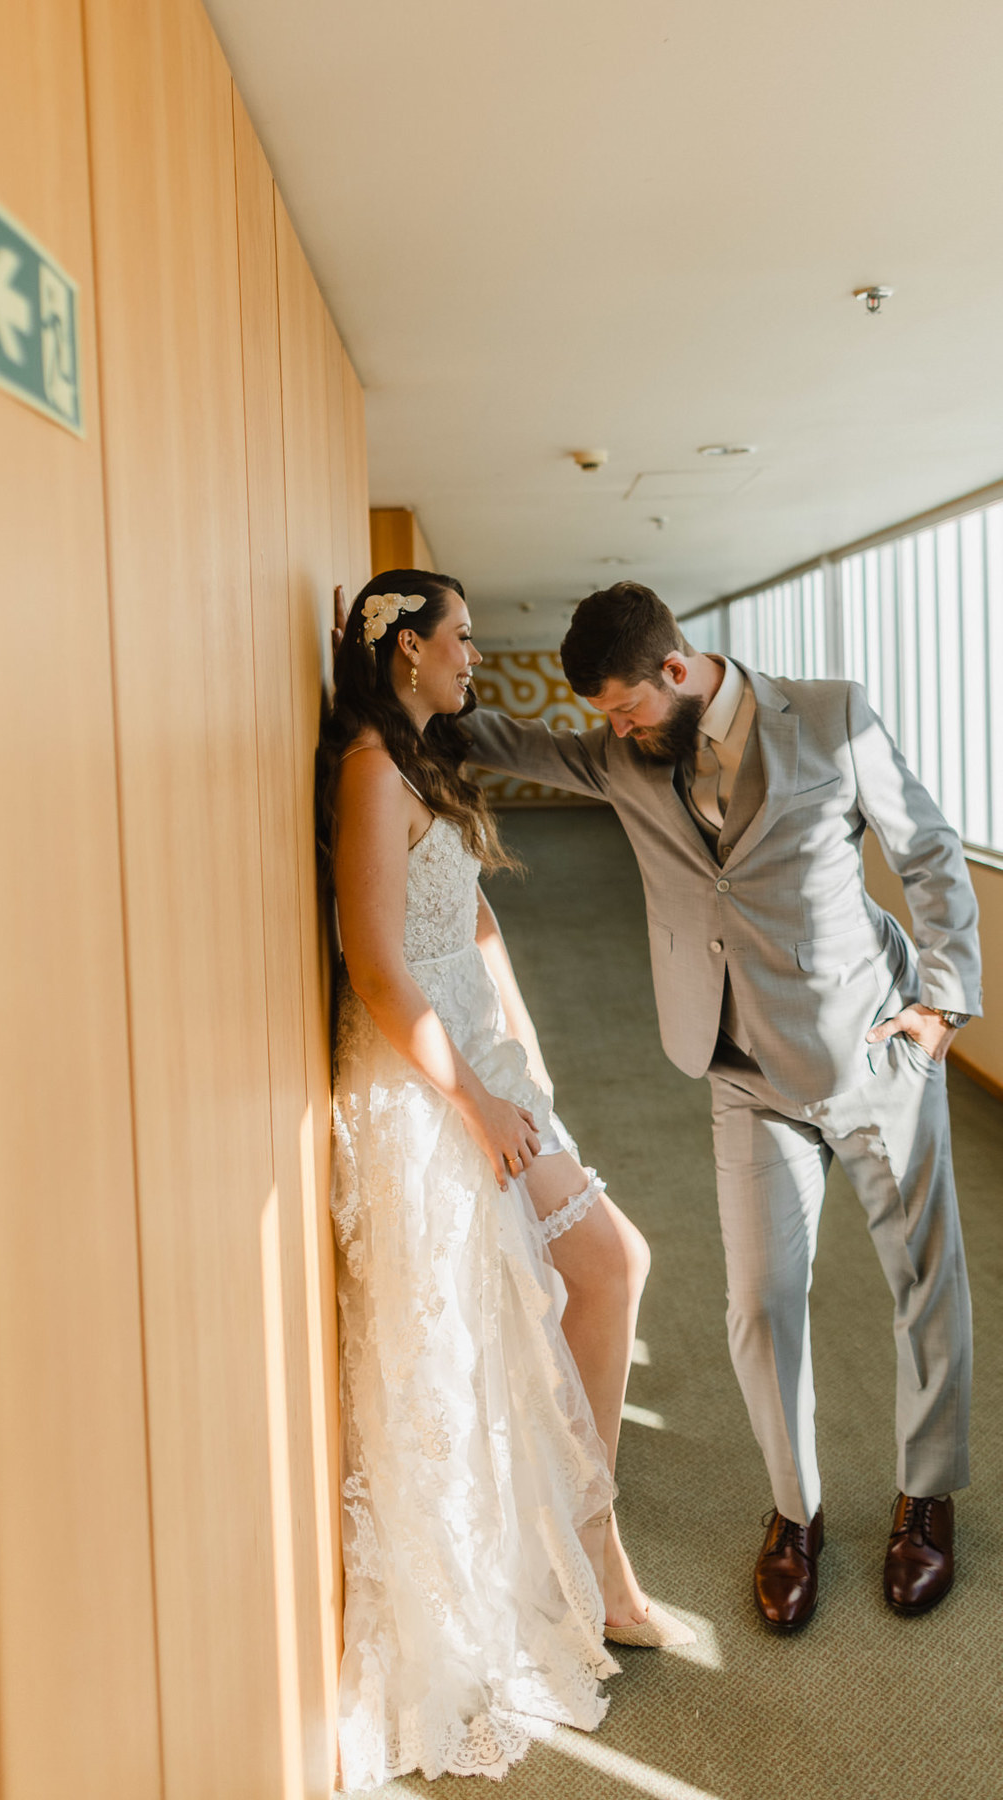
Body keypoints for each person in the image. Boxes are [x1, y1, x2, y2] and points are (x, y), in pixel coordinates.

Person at [461, 579, 980, 1633]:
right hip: (739, 1073)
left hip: (872, 1058)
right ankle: (796, 1512)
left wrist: (943, 1001)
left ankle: (926, 1499)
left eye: (626, 708)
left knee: (922, 1282)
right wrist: (399, 681)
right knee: (759, 1304)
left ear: (678, 668)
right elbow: (503, 741)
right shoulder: (624, 756)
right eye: (604, 718)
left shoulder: (833, 717)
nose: (614, 731)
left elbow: (925, 851)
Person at [322, 571, 692, 1792]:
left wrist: (520, 1062)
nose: (476, 656)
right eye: (461, 639)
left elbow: (472, 925)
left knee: (587, 1281)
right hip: (427, 1088)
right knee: (562, 1294)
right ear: (408, 649)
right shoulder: (374, 771)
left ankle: (592, 1563)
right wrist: (476, 1102)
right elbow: (377, 963)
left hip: (484, 1067)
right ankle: (584, 1570)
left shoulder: (419, 756)